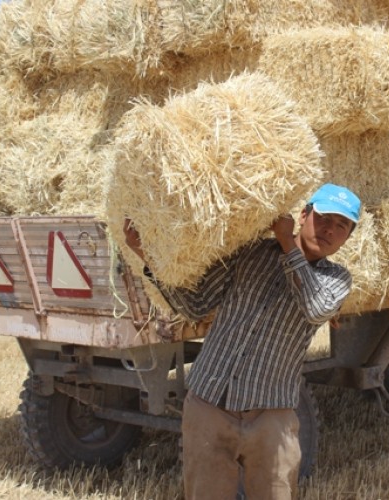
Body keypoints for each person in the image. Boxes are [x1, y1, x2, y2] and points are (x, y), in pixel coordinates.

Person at [123, 183, 361, 499]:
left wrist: (287, 244)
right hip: (209, 404)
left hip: (271, 415)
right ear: (303, 215)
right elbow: (196, 305)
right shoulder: (252, 252)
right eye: (324, 219)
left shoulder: (336, 280)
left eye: (341, 226)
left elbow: (316, 309)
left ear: (347, 237)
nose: (329, 230)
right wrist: (147, 256)